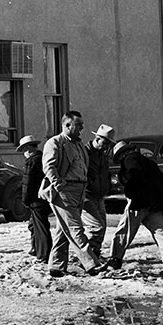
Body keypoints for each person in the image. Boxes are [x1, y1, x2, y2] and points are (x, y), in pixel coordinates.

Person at [40, 111, 105, 277]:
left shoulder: (78, 145)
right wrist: (59, 184)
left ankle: (56, 266)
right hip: (64, 192)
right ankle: (91, 264)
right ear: (67, 125)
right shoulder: (55, 143)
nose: (82, 128)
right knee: (76, 228)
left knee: (64, 229)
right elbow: (49, 167)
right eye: (79, 125)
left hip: (79, 190)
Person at [108, 141, 163, 273]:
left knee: (125, 231)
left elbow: (133, 176)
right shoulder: (148, 161)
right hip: (154, 203)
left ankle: (115, 259)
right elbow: (162, 178)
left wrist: (131, 194)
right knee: (159, 231)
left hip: (138, 202)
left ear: (122, 153)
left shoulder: (129, 160)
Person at [83, 124, 115, 262]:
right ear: (97, 138)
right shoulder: (85, 153)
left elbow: (106, 173)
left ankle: (94, 254)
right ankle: (88, 258)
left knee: (102, 227)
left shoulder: (103, 155)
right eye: (105, 142)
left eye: (109, 143)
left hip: (99, 195)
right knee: (96, 227)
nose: (107, 146)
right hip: (87, 195)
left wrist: (107, 186)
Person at [18, 134, 50, 263]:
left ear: (29, 149)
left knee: (40, 228)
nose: (23, 153)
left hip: (35, 200)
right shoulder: (43, 159)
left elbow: (28, 183)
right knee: (34, 225)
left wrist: (25, 200)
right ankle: (36, 249)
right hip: (44, 197)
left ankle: (43, 253)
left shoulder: (31, 162)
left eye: (23, 150)